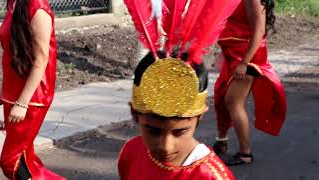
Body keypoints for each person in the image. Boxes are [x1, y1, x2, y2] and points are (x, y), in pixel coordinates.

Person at [119, 0, 241, 179]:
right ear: (134, 114)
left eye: (180, 132)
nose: (166, 146)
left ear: (199, 116)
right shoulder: (132, 152)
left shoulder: (210, 176)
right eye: (153, 130)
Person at [213, 0, 287, 165]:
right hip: (235, 53)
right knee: (223, 97)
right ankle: (221, 141)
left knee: (233, 102)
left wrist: (244, 63)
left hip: (248, 56)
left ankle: (245, 153)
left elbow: (259, 31)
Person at [0, 0, 65, 179]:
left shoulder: (38, 8)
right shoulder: (14, 4)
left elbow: (41, 60)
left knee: (10, 161)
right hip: (12, 94)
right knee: (26, 159)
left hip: (32, 97)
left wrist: (22, 103)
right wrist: (3, 94)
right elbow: (12, 53)